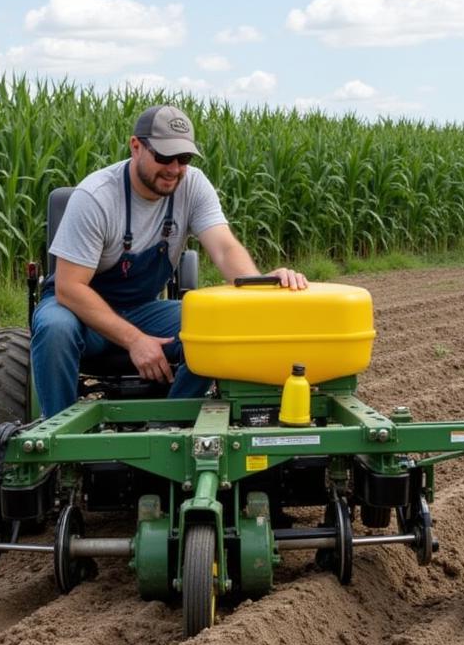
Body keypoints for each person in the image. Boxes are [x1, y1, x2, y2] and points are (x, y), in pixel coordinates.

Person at [30, 105, 307, 417]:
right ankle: (59, 442)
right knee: (54, 329)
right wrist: (135, 340)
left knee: (217, 331)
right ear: (136, 147)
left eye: (184, 159)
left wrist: (260, 286)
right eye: (164, 157)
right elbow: (69, 288)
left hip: (143, 309)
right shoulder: (96, 197)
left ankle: (167, 427)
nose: (174, 168)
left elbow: (224, 248)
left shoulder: (192, 186)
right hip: (79, 312)